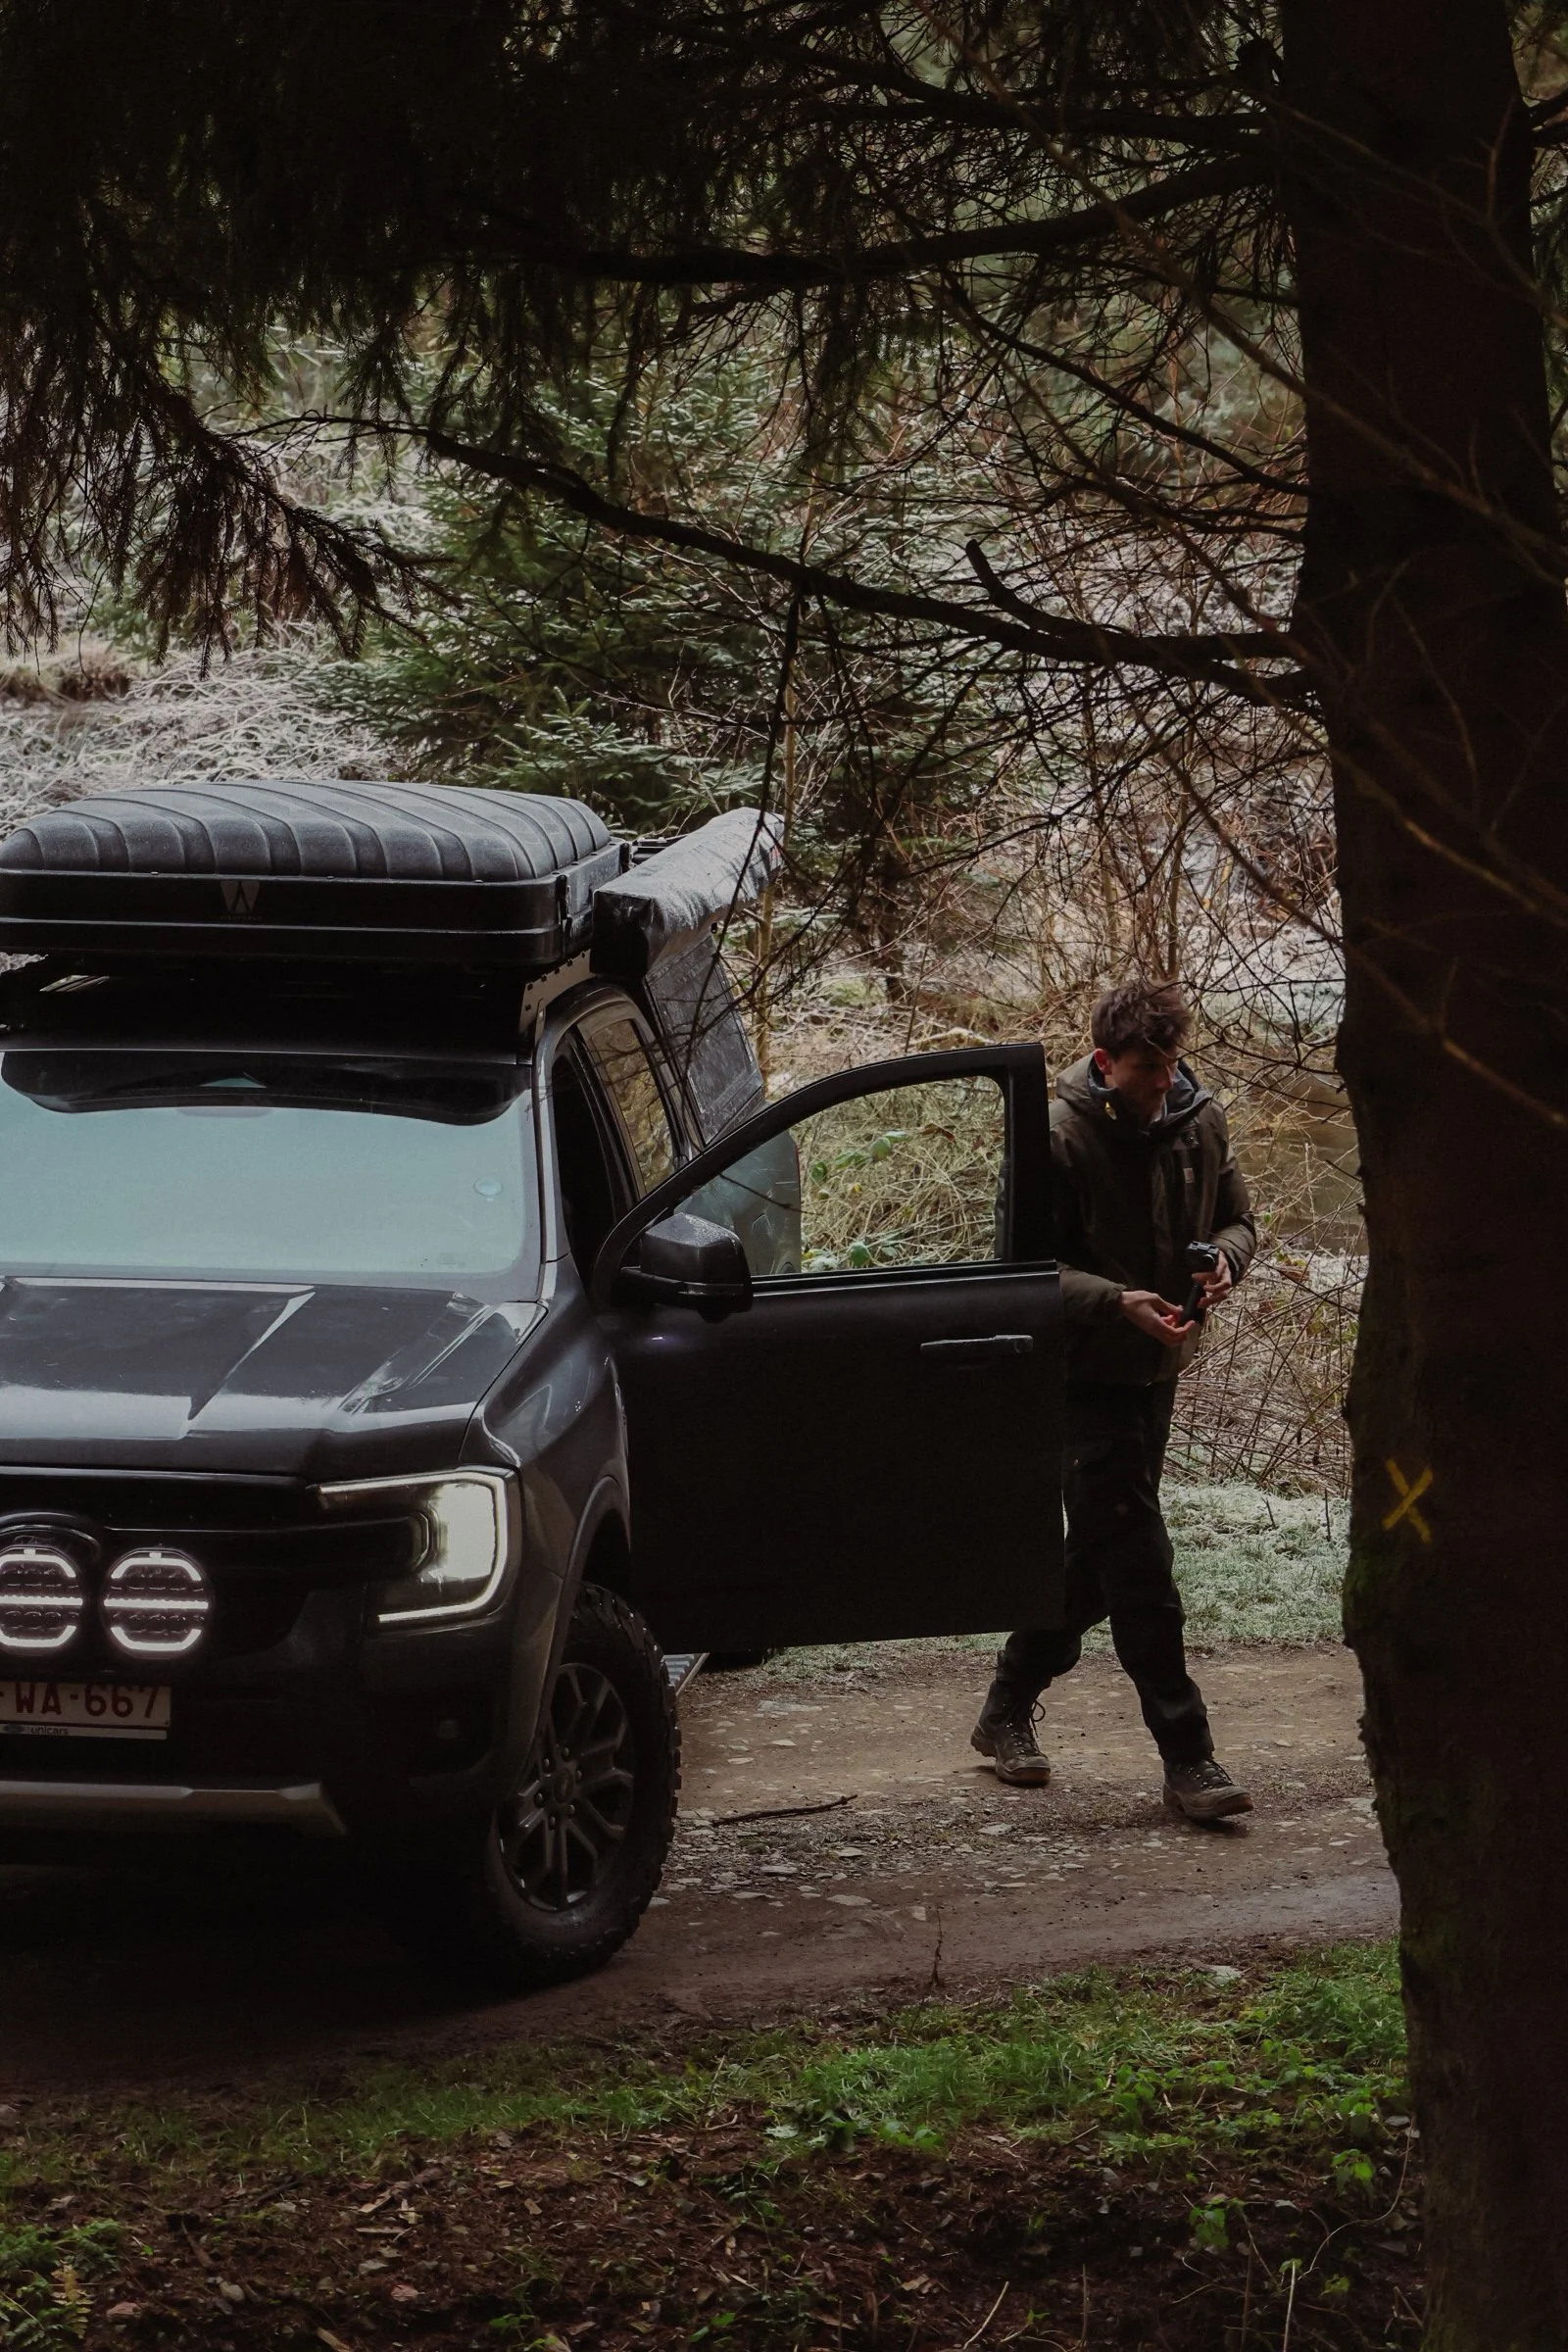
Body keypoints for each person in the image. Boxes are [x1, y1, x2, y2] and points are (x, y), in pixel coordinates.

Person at [972, 978, 1257, 1822]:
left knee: (1101, 1555)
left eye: (1172, 1063)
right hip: (1080, 1379)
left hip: (1158, 1372)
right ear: (1105, 1062)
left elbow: (1244, 1217)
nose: (1163, 1081)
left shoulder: (1199, 1118)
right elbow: (1018, 1276)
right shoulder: (1055, 1140)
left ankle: (1004, 1705)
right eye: (1146, 1068)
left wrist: (1227, 1261)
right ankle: (1190, 1758)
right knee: (1139, 1567)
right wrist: (1116, 1299)